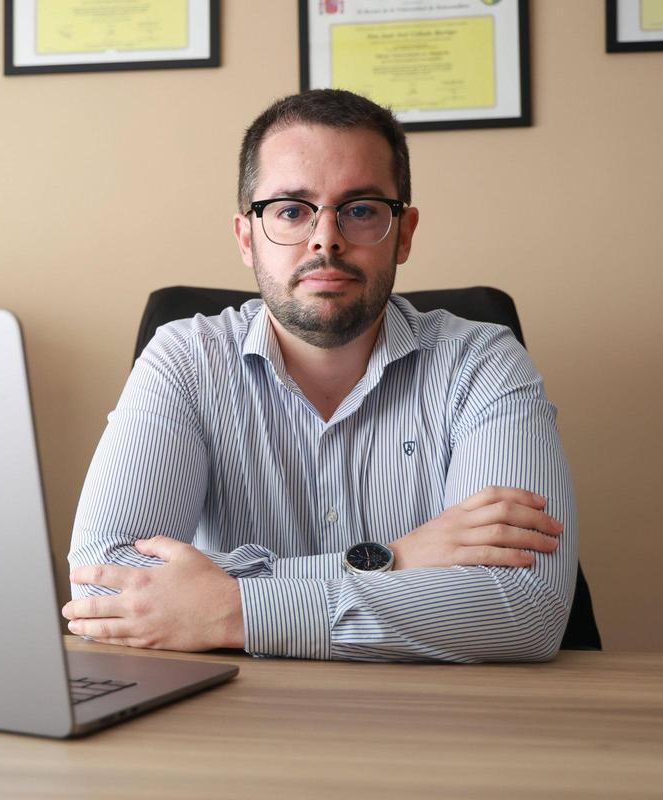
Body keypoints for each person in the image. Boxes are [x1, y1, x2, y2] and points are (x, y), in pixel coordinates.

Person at [63, 89, 576, 662]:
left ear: (403, 233)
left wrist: (228, 609)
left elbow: (526, 608)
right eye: (290, 210)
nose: (325, 238)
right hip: (233, 709)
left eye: (360, 210)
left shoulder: (484, 362)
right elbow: (103, 590)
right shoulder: (185, 359)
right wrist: (393, 559)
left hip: (433, 711)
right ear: (246, 237)